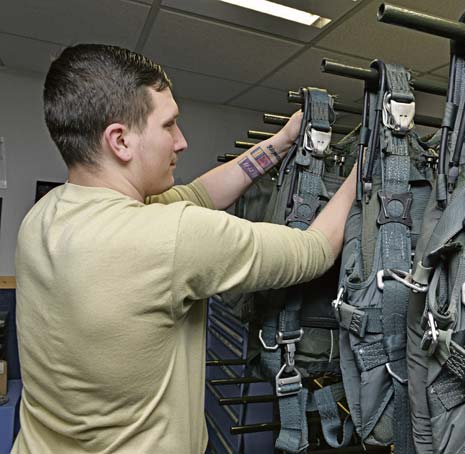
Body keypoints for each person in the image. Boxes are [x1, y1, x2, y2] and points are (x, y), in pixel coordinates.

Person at [12, 44, 356, 454]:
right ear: (120, 140)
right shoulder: (170, 237)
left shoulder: (41, 218)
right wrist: (366, 165)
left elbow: (198, 194)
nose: (182, 141)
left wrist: (280, 144)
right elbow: (314, 250)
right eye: (169, 125)